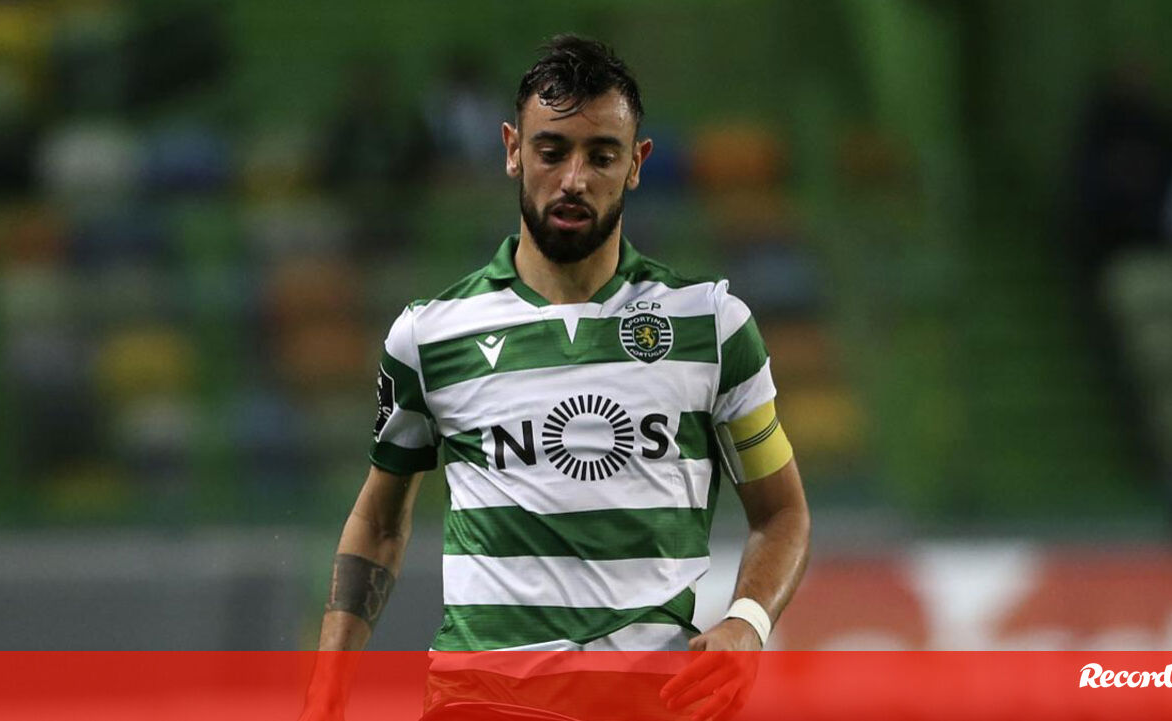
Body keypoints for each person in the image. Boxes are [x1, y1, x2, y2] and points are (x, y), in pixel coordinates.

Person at [302, 35, 810, 721]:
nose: (574, 179)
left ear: (637, 163)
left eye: (601, 155)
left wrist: (748, 620)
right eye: (552, 151)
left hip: (647, 701)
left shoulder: (711, 327)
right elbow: (378, 521)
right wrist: (328, 686)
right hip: (481, 700)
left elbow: (781, 513)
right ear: (513, 149)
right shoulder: (429, 336)